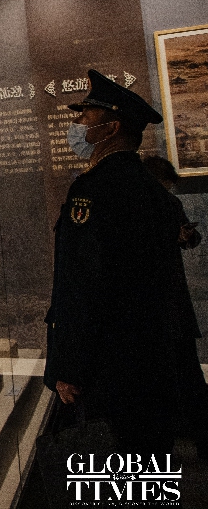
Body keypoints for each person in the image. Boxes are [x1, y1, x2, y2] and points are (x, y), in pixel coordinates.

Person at [44, 69, 184, 454]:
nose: (77, 125)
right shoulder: (153, 191)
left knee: (112, 459)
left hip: (106, 360)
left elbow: (81, 285)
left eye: (86, 116)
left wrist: (68, 367)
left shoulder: (92, 191)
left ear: (111, 127)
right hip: (151, 351)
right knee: (149, 453)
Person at [142, 155, 208, 458]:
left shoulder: (168, 204)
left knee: (185, 377)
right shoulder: (147, 205)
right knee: (185, 378)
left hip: (166, 308)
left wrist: (186, 235)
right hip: (164, 308)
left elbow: (190, 238)